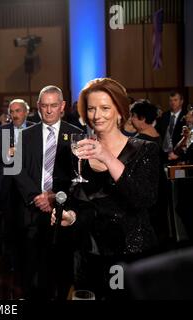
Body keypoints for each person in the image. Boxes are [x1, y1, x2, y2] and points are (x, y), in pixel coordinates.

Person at [53, 78, 160, 300]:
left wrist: (106, 156)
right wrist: (71, 217)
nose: (97, 115)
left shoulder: (145, 150)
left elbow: (143, 199)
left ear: (120, 111)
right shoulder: (76, 153)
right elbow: (80, 205)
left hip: (129, 254)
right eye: (91, 108)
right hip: (88, 254)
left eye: (105, 108)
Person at [13, 85, 82, 299]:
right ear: (38, 107)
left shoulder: (76, 135)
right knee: (33, 271)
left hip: (64, 212)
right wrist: (37, 197)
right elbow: (18, 170)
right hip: (32, 211)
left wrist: (54, 196)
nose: (49, 110)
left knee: (62, 270)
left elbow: (78, 176)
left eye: (54, 105)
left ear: (62, 106)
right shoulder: (26, 135)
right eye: (45, 106)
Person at [0, 99, 34, 270]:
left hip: (30, 185)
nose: (15, 114)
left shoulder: (35, 129)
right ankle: (8, 261)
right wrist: (5, 153)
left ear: (26, 112)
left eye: (19, 111)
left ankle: (27, 260)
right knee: (7, 223)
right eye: (12, 111)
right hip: (8, 183)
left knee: (28, 223)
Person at [130, 100, 170, 247]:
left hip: (146, 188)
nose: (131, 119)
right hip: (161, 185)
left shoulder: (139, 141)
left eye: (133, 116)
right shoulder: (157, 135)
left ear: (142, 119)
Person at [156, 91, 187, 164]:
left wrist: (179, 153)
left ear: (181, 101)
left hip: (179, 155)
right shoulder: (164, 116)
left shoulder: (186, 116)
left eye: (175, 100)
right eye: (171, 100)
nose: (173, 102)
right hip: (163, 154)